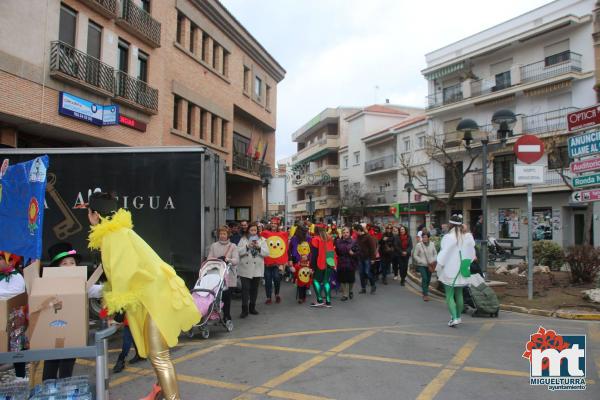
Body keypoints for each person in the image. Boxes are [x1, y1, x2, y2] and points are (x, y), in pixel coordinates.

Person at [87, 193, 200, 400]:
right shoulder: (120, 233)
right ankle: (161, 391)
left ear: (94, 215)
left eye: (88, 213)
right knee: (155, 353)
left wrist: (118, 308)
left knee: (159, 356)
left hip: (156, 299)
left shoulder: (113, 237)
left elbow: (123, 274)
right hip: (153, 297)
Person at [43, 242, 101, 381]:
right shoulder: (46, 284)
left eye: (72, 262)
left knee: (66, 371)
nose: (69, 266)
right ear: (56, 268)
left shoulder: (80, 282)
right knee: (49, 371)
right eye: (64, 263)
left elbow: (95, 290)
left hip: (72, 333)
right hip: (52, 333)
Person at [436, 214, 476, 327]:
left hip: (450, 269)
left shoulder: (448, 237)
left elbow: (443, 253)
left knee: (449, 295)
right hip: (463, 268)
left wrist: (439, 265)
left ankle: (454, 318)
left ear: (450, 224)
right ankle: (458, 317)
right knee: (459, 294)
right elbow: (472, 254)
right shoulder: (467, 237)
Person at [0, 252, 27, 381]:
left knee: (17, 350)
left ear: (10, 262)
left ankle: (20, 377)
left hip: (15, 320)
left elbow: (17, 293)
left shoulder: (17, 276)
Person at [207, 226, 239, 322]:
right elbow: (209, 258)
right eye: (221, 234)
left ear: (228, 235)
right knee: (215, 297)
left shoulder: (233, 246)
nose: (222, 236)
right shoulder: (214, 246)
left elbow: (236, 260)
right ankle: (214, 314)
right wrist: (216, 260)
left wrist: (228, 260)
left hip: (228, 276)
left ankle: (226, 315)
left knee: (226, 297)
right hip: (216, 275)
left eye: (224, 234)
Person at [237, 223, 269, 318]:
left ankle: (252, 307)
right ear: (248, 231)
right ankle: (244, 309)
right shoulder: (243, 239)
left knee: (254, 289)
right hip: (245, 268)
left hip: (257, 268)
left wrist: (259, 247)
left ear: (257, 231)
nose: (253, 232)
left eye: (255, 230)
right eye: (251, 230)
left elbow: (267, 253)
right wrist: (247, 246)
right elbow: (238, 251)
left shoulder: (262, 240)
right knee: (245, 289)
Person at [309, 227, 337, 307]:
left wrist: (312, 267)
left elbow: (314, 255)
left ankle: (320, 299)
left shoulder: (315, 239)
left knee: (315, 280)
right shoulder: (329, 238)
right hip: (329, 262)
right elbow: (332, 251)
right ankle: (328, 301)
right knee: (326, 281)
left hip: (320, 263)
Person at [288, 224, 312, 303]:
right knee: (300, 278)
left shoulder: (309, 238)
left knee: (306, 278)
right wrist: (290, 260)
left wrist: (309, 258)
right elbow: (289, 250)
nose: (304, 234)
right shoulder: (294, 239)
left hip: (307, 262)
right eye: (302, 232)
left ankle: (305, 292)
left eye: (305, 232)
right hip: (297, 261)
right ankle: (301, 297)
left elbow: (312, 250)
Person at [412, 232, 437, 301]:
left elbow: (435, 254)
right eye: (423, 237)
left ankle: (425, 289)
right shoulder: (419, 245)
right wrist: (420, 261)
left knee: (428, 279)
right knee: (425, 278)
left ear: (428, 238)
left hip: (430, 265)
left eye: (426, 237)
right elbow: (415, 255)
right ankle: (425, 294)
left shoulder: (432, 244)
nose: (424, 238)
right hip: (422, 265)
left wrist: (433, 260)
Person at [335, 227, 358, 301]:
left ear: (349, 233)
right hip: (341, 262)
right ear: (342, 233)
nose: (345, 234)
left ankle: (350, 290)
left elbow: (359, 252)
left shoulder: (354, 242)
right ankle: (345, 294)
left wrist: (353, 253)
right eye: (344, 232)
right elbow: (336, 252)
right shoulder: (338, 241)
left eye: (347, 232)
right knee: (342, 279)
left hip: (351, 262)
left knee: (351, 280)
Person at [354, 224, 377, 294]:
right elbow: (357, 246)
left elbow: (373, 248)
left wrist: (373, 258)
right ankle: (363, 288)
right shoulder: (358, 237)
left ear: (359, 230)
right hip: (360, 258)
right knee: (361, 273)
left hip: (368, 258)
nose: (355, 232)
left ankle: (373, 285)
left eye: (355, 231)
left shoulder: (368, 237)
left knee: (367, 272)